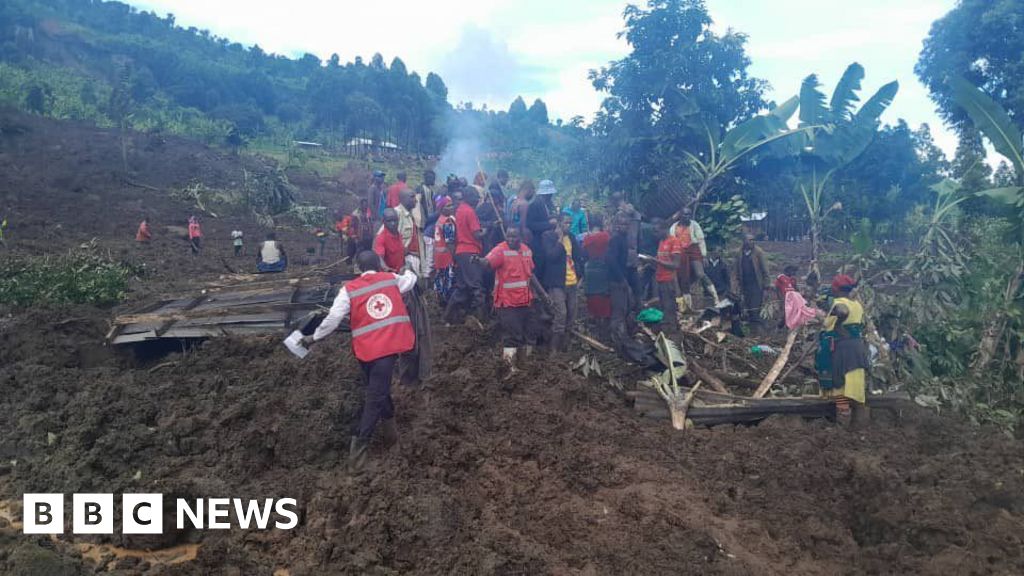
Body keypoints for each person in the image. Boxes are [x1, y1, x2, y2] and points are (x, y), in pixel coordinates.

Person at [302, 250, 417, 471]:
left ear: (357, 268)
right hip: (387, 350)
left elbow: (333, 318)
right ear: (380, 264)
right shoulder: (391, 279)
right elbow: (411, 281)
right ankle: (358, 457)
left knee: (379, 392)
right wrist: (408, 270)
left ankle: (392, 437)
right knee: (375, 397)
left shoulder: (349, 289)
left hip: (365, 352)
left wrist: (313, 337)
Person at [477, 227, 535, 373]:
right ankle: (509, 368)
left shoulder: (526, 250)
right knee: (512, 335)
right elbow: (488, 263)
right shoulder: (500, 250)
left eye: (514, 237)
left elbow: (530, 274)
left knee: (525, 333)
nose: (510, 239)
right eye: (508, 236)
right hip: (507, 302)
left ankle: (523, 364)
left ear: (520, 237)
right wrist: (478, 261)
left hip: (524, 300)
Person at [816, 274, 871, 425]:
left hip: (841, 348)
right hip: (857, 347)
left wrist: (820, 316)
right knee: (855, 384)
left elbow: (831, 322)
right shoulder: (858, 305)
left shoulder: (838, 303)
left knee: (839, 385)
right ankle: (861, 423)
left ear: (836, 289)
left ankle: (843, 427)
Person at [444, 186, 486, 326]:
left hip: (461, 252)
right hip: (470, 252)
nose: (478, 200)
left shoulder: (460, 209)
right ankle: (480, 319)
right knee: (476, 287)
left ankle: (448, 317)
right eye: (476, 198)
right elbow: (476, 234)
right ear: (469, 197)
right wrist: (489, 229)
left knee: (462, 287)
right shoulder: (470, 211)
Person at [670, 207, 717, 307]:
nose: (687, 217)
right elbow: (672, 242)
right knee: (684, 278)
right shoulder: (674, 227)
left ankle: (715, 296)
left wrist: (704, 255)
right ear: (680, 216)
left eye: (688, 215)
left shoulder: (694, 225)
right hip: (680, 252)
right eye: (684, 214)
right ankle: (688, 305)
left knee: (700, 273)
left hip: (693, 249)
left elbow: (700, 240)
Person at [607, 214, 634, 350]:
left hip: (621, 278)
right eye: (623, 224)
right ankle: (617, 340)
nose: (625, 227)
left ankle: (621, 337)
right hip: (616, 281)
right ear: (617, 226)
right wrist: (621, 279)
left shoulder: (623, 239)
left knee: (624, 308)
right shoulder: (616, 240)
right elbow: (611, 260)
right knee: (618, 310)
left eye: (627, 225)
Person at [654, 219, 683, 333]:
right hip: (660, 279)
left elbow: (676, 264)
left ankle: (672, 332)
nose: (655, 234)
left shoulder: (674, 242)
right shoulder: (661, 241)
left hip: (669, 280)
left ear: (664, 229)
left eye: (657, 231)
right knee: (663, 307)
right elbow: (662, 259)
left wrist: (658, 262)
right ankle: (668, 329)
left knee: (669, 307)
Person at [736, 234, 770, 322]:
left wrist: (766, 287)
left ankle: (757, 327)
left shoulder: (759, 252)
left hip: (756, 285)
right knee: (746, 307)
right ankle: (751, 328)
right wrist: (737, 285)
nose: (752, 242)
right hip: (745, 285)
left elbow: (765, 270)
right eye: (749, 240)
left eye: (753, 240)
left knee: (755, 308)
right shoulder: (739, 253)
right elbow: (737, 269)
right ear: (744, 241)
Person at [395, 188, 426, 276]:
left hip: (414, 257)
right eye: (412, 197)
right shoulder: (396, 214)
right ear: (403, 199)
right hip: (403, 259)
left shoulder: (412, 214)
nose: (415, 200)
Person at [432, 197, 457, 304]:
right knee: (448, 281)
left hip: (438, 256)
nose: (451, 208)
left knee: (440, 279)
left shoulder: (440, 220)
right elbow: (450, 241)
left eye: (452, 205)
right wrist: (455, 258)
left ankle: (439, 301)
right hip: (447, 256)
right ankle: (445, 304)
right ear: (442, 208)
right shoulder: (448, 221)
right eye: (448, 206)